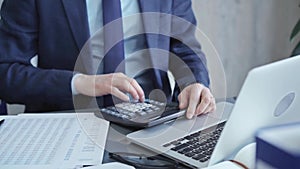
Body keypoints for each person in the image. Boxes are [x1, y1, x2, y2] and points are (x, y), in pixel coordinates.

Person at [0, 0, 216, 119]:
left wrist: (193, 83)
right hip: (69, 121)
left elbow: (184, 48)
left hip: (153, 120)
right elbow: (6, 73)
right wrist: (80, 83)